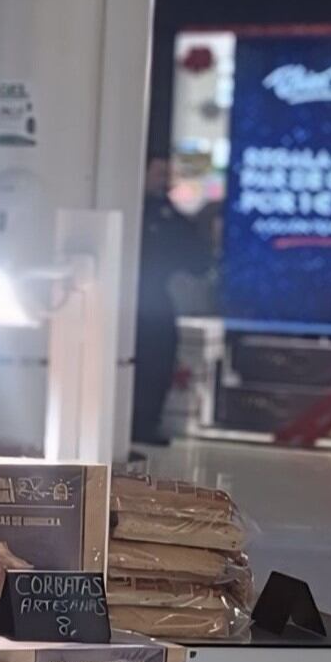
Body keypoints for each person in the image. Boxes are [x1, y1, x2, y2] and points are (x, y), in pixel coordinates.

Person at [132, 155, 200, 450]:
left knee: (160, 357)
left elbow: (192, 251)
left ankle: (147, 422)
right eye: (159, 173)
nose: (164, 180)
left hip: (156, 296)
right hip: (131, 295)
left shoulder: (166, 212)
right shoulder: (136, 210)